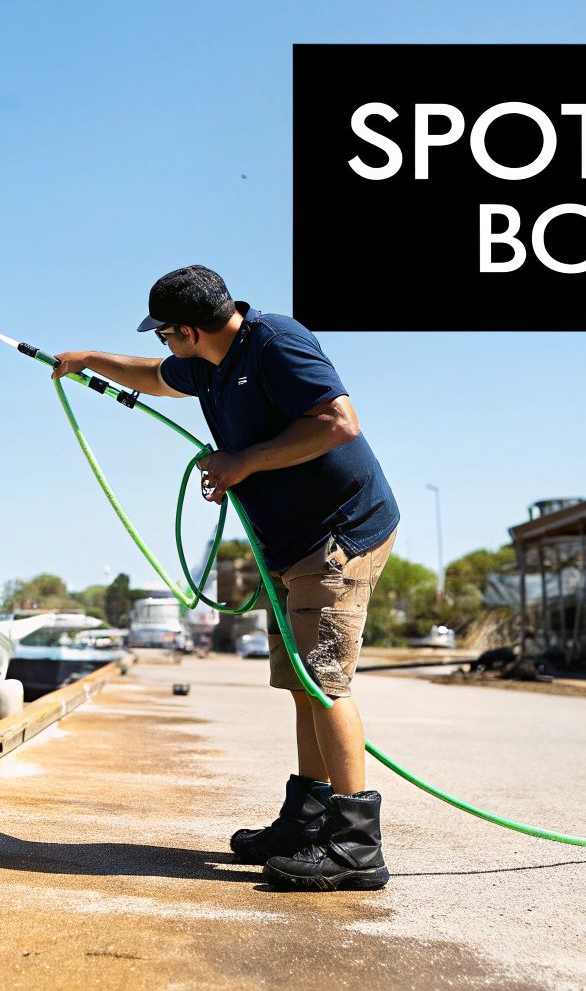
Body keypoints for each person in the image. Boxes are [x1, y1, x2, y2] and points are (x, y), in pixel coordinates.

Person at [52, 265, 401, 892]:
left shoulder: (277, 342)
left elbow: (339, 422)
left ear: (187, 329)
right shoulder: (208, 362)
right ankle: (308, 817)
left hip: (339, 533)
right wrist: (89, 360)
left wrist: (242, 461)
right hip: (290, 542)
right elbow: (149, 378)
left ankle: (356, 847)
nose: (161, 343)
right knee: (301, 683)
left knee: (324, 682)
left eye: (163, 333)